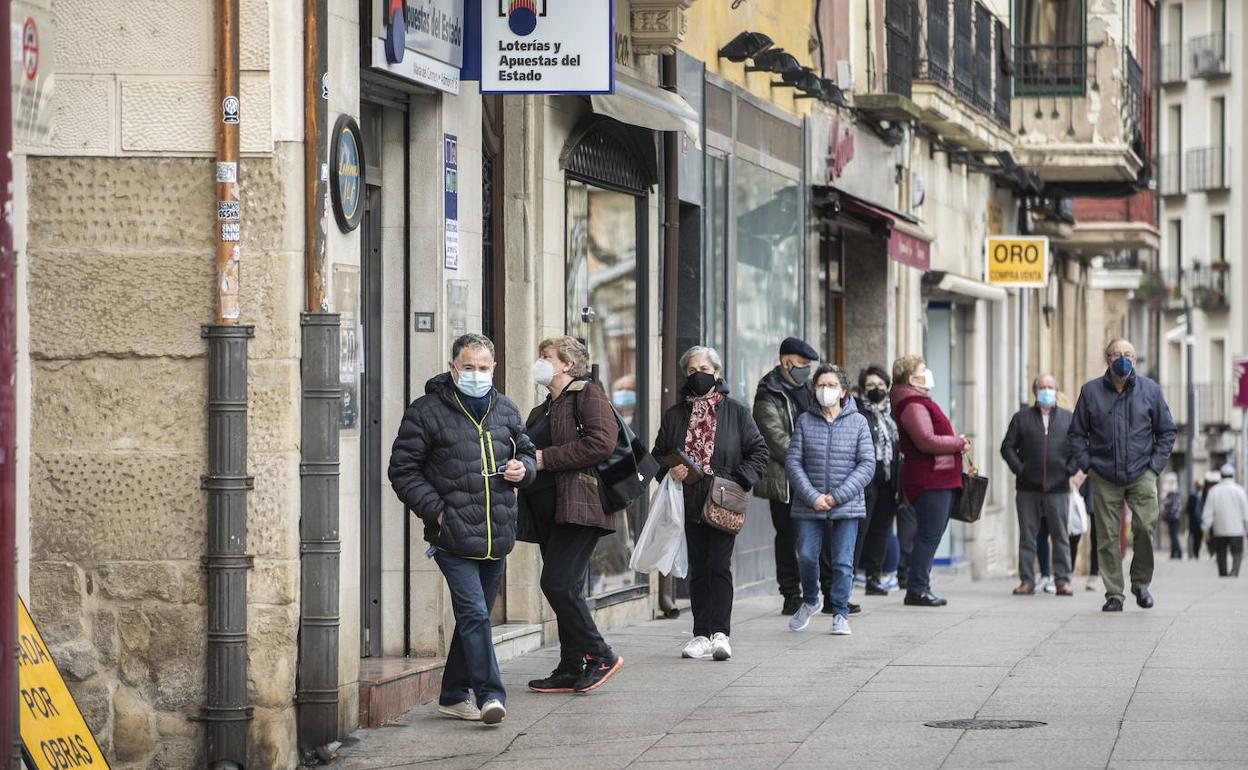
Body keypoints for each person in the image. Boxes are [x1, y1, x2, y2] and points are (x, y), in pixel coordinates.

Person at [388, 333, 536, 725]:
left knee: (476, 617)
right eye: (467, 367)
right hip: (452, 536)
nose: (475, 374)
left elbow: (525, 449)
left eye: (483, 368)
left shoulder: (505, 408)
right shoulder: (425, 411)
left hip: (496, 536)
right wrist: (437, 512)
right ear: (453, 367)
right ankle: (489, 695)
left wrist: (524, 468)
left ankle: (453, 694)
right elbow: (402, 471)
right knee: (473, 614)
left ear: (494, 368)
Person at [520, 336, 624, 694]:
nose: (540, 361)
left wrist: (546, 458)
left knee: (557, 583)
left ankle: (600, 654)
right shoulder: (543, 409)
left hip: (581, 506)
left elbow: (601, 443)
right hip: (550, 511)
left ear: (566, 364)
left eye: (546, 356)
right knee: (568, 587)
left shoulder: (587, 395)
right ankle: (571, 665)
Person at [654, 346, 768, 661]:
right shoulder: (675, 415)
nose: (699, 374)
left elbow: (759, 453)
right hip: (689, 502)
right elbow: (659, 454)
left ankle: (721, 633)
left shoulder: (736, 412)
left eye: (704, 368)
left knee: (719, 566)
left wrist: (738, 481)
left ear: (717, 373)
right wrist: (670, 469)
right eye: (692, 370)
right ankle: (700, 634)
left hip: (723, 502)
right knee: (699, 569)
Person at [1067, 338, 1177, 612]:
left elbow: (1166, 431)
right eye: (1118, 354)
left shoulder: (1150, 390)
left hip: (1142, 472)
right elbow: (1077, 434)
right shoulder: (1090, 392)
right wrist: (1088, 465)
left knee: (1144, 527)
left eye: (1128, 354)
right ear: (1108, 359)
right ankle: (1114, 594)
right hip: (1104, 474)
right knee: (1106, 537)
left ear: (1135, 360)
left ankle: (1140, 583)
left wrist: (1154, 467)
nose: (1123, 359)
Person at [785, 365, 875, 635]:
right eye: (821, 385)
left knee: (843, 561)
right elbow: (793, 462)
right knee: (806, 555)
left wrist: (837, 496)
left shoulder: (858, 422)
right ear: (814, 390)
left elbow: (867, 465)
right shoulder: (804, 421)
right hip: (809, 503)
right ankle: (811, 599)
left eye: (832, 385)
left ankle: (840, 612)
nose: (826, 390)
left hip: (846, 504)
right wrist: (813, 497)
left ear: (843, 391)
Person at [752, 337, 832, 616]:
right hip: (785, 481)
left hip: (815, 477)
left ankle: (828, 593)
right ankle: (791, 595)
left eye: (809, 366)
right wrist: (808, 459)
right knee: (788, 537)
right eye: (801, 365)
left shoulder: (810, 390)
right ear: (786, 362)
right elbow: (775, 439)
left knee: (821, 535)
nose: (806, 371)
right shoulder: (768, 393)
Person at [890, 355, 969, 607]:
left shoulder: (918, 401)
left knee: (931, 534)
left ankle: (920, 586)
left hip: (939, 477)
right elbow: (926, 440)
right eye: (923, 370)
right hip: (930, 478)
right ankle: (917, 589)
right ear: (912, 378)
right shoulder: (913, 404)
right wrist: (958, 443)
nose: (928, 373)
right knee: (928, 535)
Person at [1001, 374, 1075, 596]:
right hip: (1027, 488)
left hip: (1058, 488)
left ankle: (1062, 581)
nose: (1046, 390)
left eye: (1050, 387)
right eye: (1042, 387)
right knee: (1027, 536)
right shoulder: (1021, 418)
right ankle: (1027, 580)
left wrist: (1069, 470)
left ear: (1056, 390)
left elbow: (1081, 447)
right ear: (1035, 391)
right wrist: (1020, 469)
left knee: (1060, 536)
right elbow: (1007, 447)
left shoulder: (1068, 419)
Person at [854, 365, 903, 596]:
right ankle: (851, 575)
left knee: (881, 531)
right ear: (863, 388)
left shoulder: (891, 414)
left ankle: (874, 577)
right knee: (860, 530)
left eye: (881, 385)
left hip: (888, 481)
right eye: (871, 385)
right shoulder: (857, 412)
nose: (877, 389)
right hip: (866, 482)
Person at [1201, 464, 1248, 577]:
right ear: (1233, 475)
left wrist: (1205, 529)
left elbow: (1208, 513)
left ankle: (1223, 573)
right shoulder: (1240, 491)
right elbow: (1245, 512)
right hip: (1237, 530)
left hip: (1220, 529)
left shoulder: (1214, 491)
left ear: (1221, 476)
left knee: (1221, 553)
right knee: (1237, 552)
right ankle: (1234, 571)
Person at [1162, 472, 1183, 560]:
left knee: (1173, 535)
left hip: (1172, 517)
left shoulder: (1172, 494)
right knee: (1174, 535)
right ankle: (1174, 552)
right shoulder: (1177, 493)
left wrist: (1164, 500)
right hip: (1176, 517)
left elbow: (1168, 504)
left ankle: (1177, 552)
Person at [1186, 480, 1206, 560]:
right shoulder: (1193, 496)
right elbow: (1188, 509)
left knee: (1197, 537)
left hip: (1199, 520)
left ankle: (1195, 552)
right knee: (1195, 537)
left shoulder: (1201, 496)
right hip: (1195, 521)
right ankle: (1194, 553)